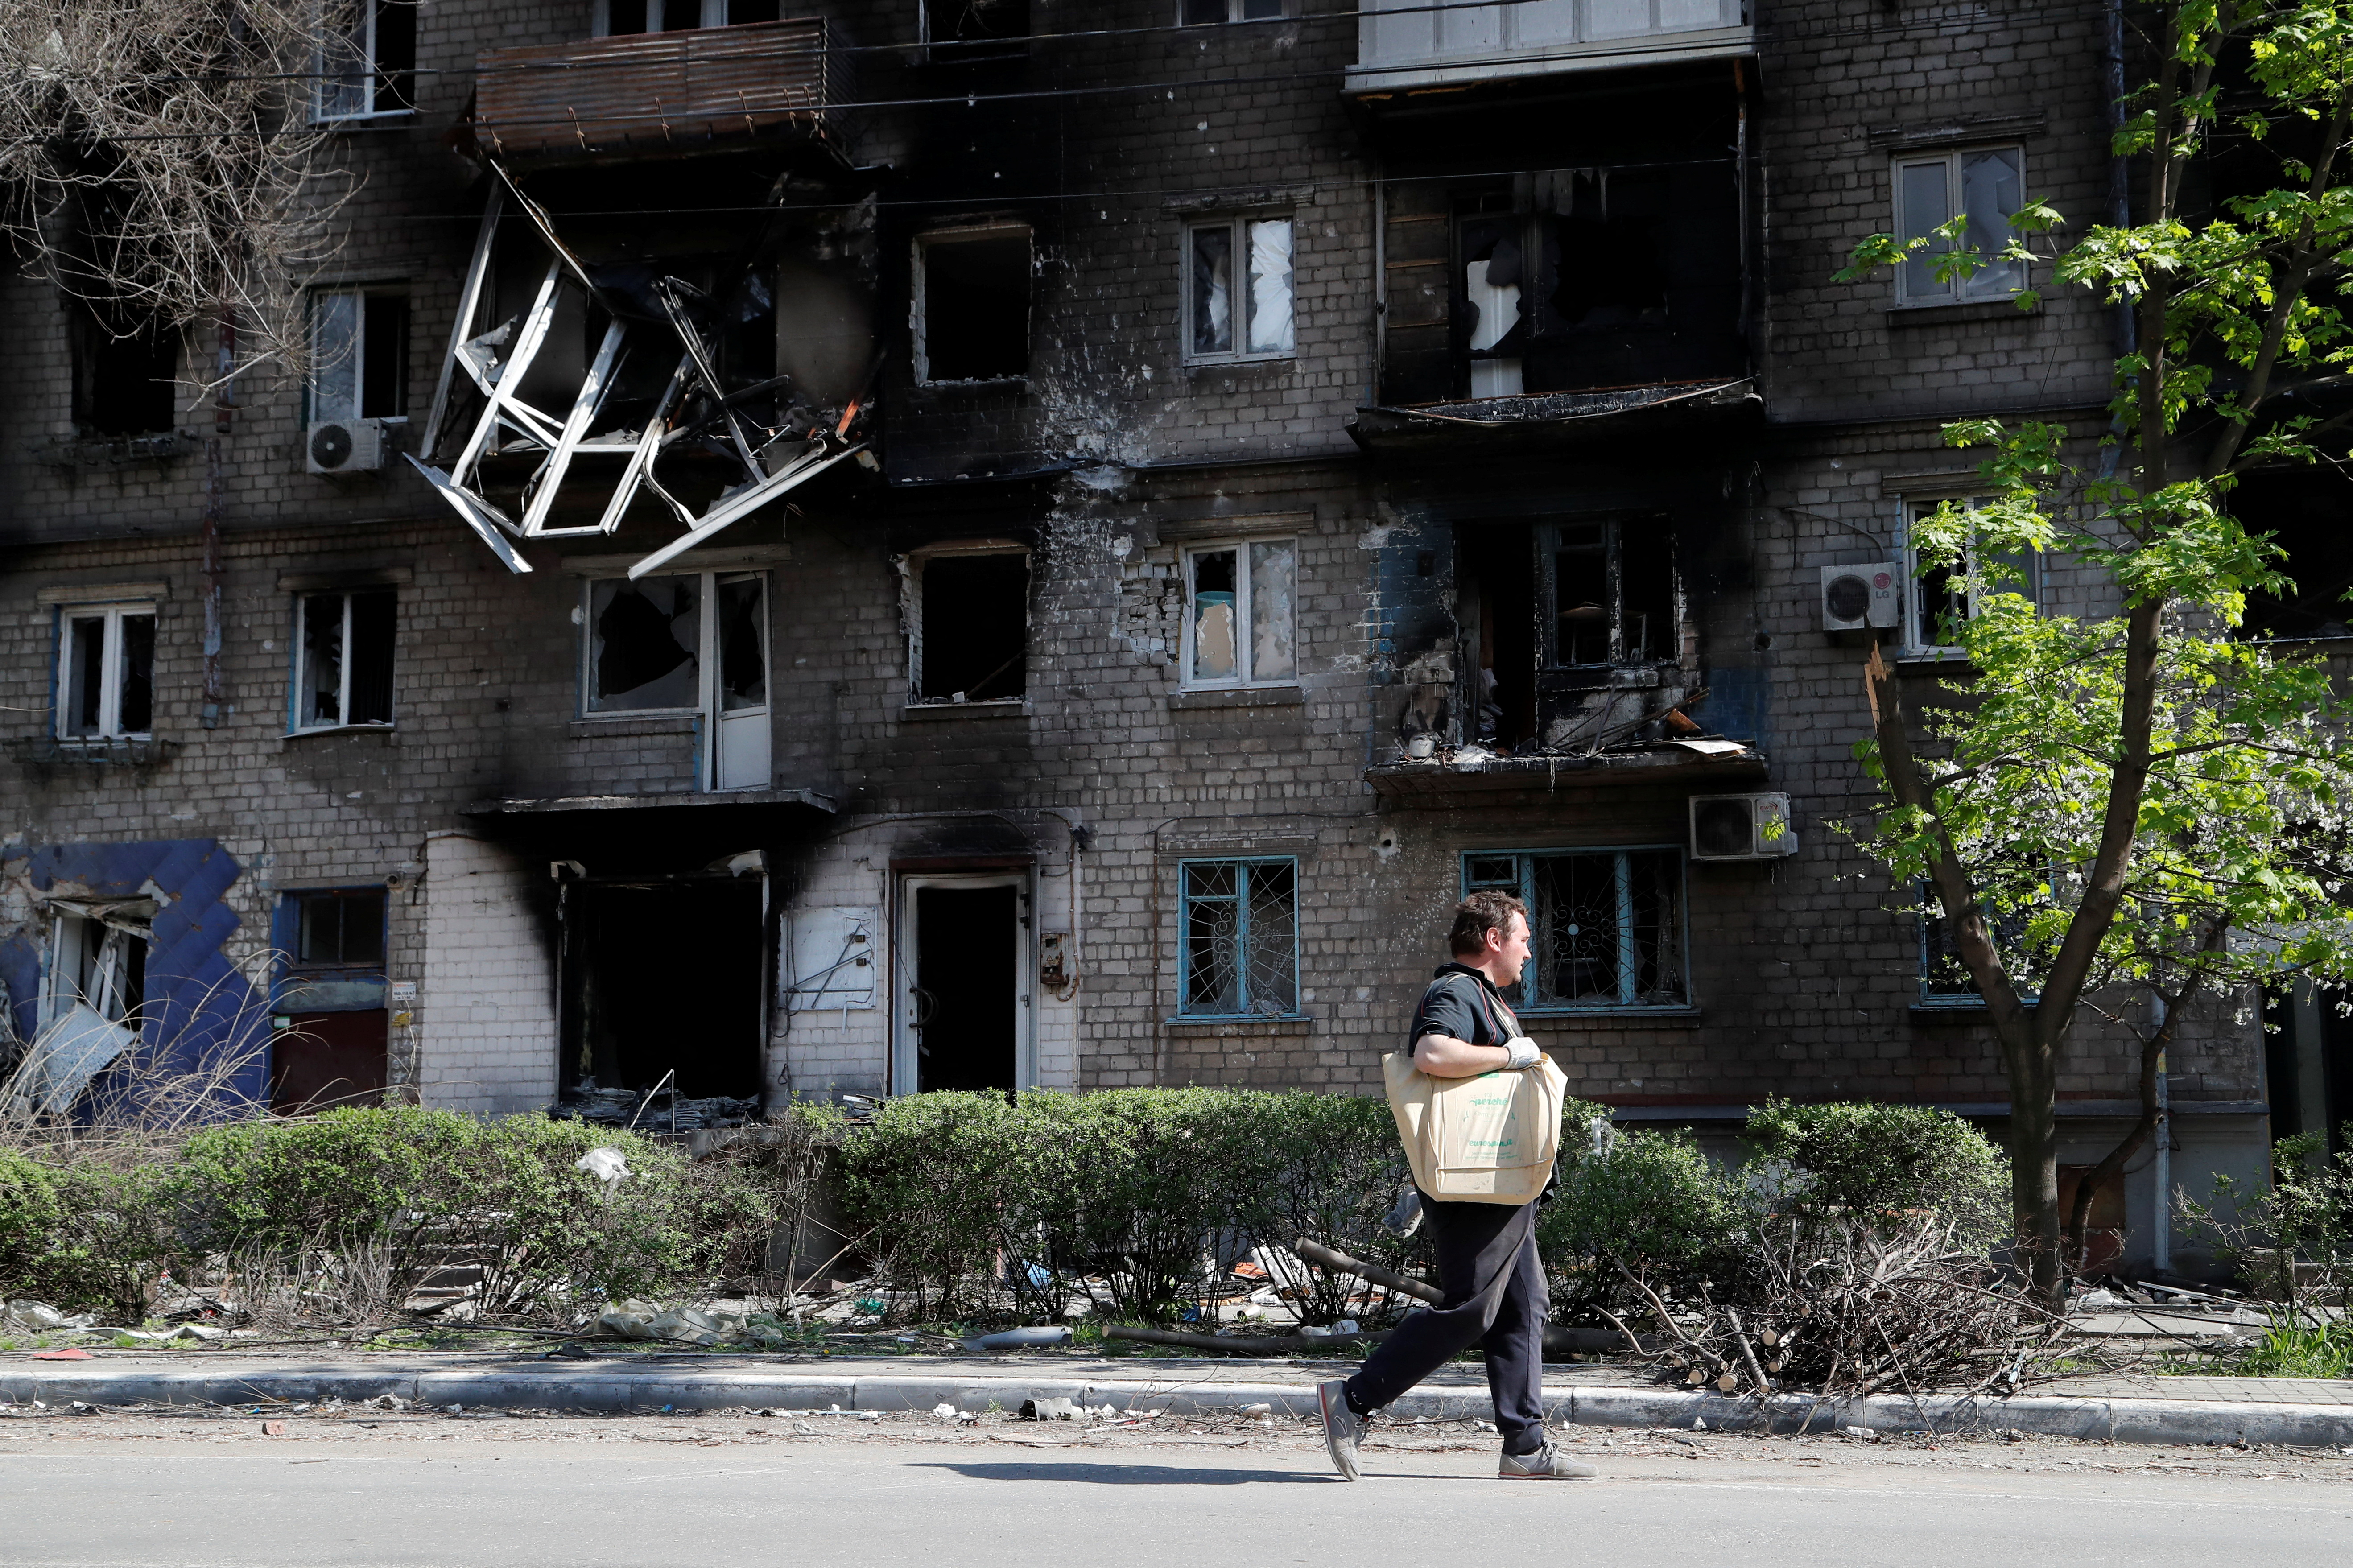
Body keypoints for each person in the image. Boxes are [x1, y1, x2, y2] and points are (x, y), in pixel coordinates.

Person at [1317, 889, 1597, 1482]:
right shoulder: (1457, 990)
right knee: (1473, 1309)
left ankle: (1524, 1446)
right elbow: (1432, 1053)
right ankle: (1354, 1399)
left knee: (1525, 1305)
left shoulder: (1486, 998)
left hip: (1501, 1187)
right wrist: (1506, 1059)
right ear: (1493, 940)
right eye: (1522, 939)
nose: (1528, 953)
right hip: (1476, 1188)